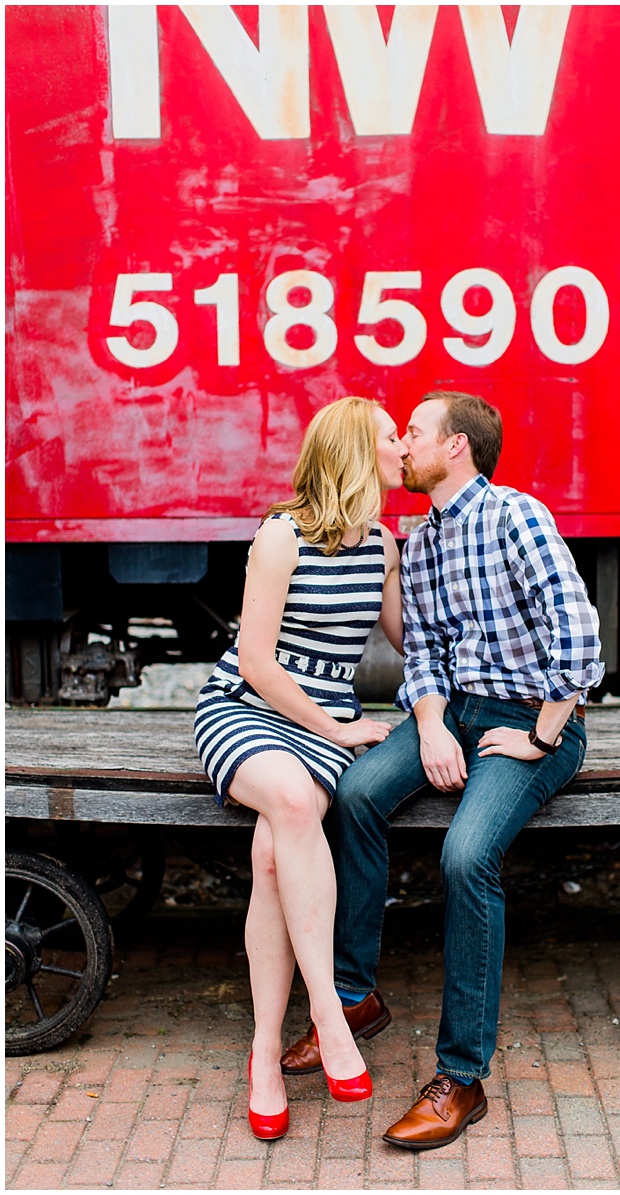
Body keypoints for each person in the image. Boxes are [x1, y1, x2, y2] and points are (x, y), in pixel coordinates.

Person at [281, 390, 604, 1149]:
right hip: (456, 711)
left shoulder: (515, 515)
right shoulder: (420, 541)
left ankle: (462, 1075)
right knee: (356, 793)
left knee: (466, 854)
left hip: (535, 716)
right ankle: (355, 994)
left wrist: (543, 733)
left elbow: (580, 631)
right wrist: (429, 725)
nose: (402, 445)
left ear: (456, 446)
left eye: (415, 432)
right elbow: (421, 652)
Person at [194, 396, 407, 1140]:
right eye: (390, 437)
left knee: (272, 853)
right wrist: (338, 727)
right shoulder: (280, 537)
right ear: (355, 449)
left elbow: (413, 637)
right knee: (289, 799)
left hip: (320, 724)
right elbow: (255, 661)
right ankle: (327, 1008)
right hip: (249, 707)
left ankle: (261, 1052)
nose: (403, 446)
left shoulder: (383, 542)